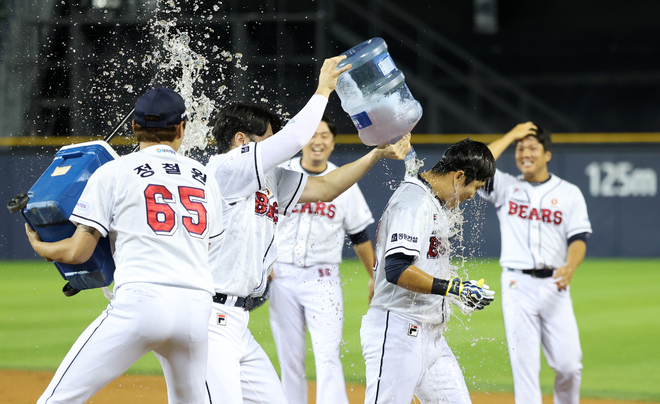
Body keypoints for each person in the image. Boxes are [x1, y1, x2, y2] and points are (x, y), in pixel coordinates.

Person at [203, 55, 411, 404]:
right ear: (241, 141)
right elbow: (296, 137)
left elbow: (324, 188)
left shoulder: (265, 177)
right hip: (212, 315)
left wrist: (375, 154)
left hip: (239, 318)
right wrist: (324, 88)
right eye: (266, 140)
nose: (274, 147)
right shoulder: (226, 168)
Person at [24, 87, 224, 404]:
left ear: (134, 126)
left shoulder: (113, 172)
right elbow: (210, 252)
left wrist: (41, 247)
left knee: (58, 399)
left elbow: (78, 252)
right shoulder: (205, 177)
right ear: (181, 128)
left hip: (141, 304)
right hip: (196, 312)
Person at [360, 138, 497, 404]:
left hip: (431, 336)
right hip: (398, 330)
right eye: (474, 187)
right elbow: (397, 269)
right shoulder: (414, 203)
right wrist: (453, 288)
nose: (472, 196)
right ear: (459, 176)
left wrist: (458, 289)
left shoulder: (431, 200)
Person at [479, 122, 592, 404]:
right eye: (520, 148)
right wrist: (511, 135)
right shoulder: (506, 186)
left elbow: (578, 238)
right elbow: (477, 167)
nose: (525, 153)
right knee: (525, 367)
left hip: (555, 284)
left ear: (547, 154)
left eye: (532, 147)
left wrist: (571, 266)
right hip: (517, 285)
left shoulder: (569, 193)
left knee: (569, 365)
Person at [269, 114, 375, 404]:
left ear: (332, 143)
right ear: (303, 140)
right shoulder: (280, 174)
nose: (318, 141)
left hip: (323, 281)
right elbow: (260, 223)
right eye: (313, 135)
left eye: (325, 136)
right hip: (282, 277)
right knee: (289, 358)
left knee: (328, 356)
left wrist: (374, 276)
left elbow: (359, 235)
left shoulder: (344, 181)